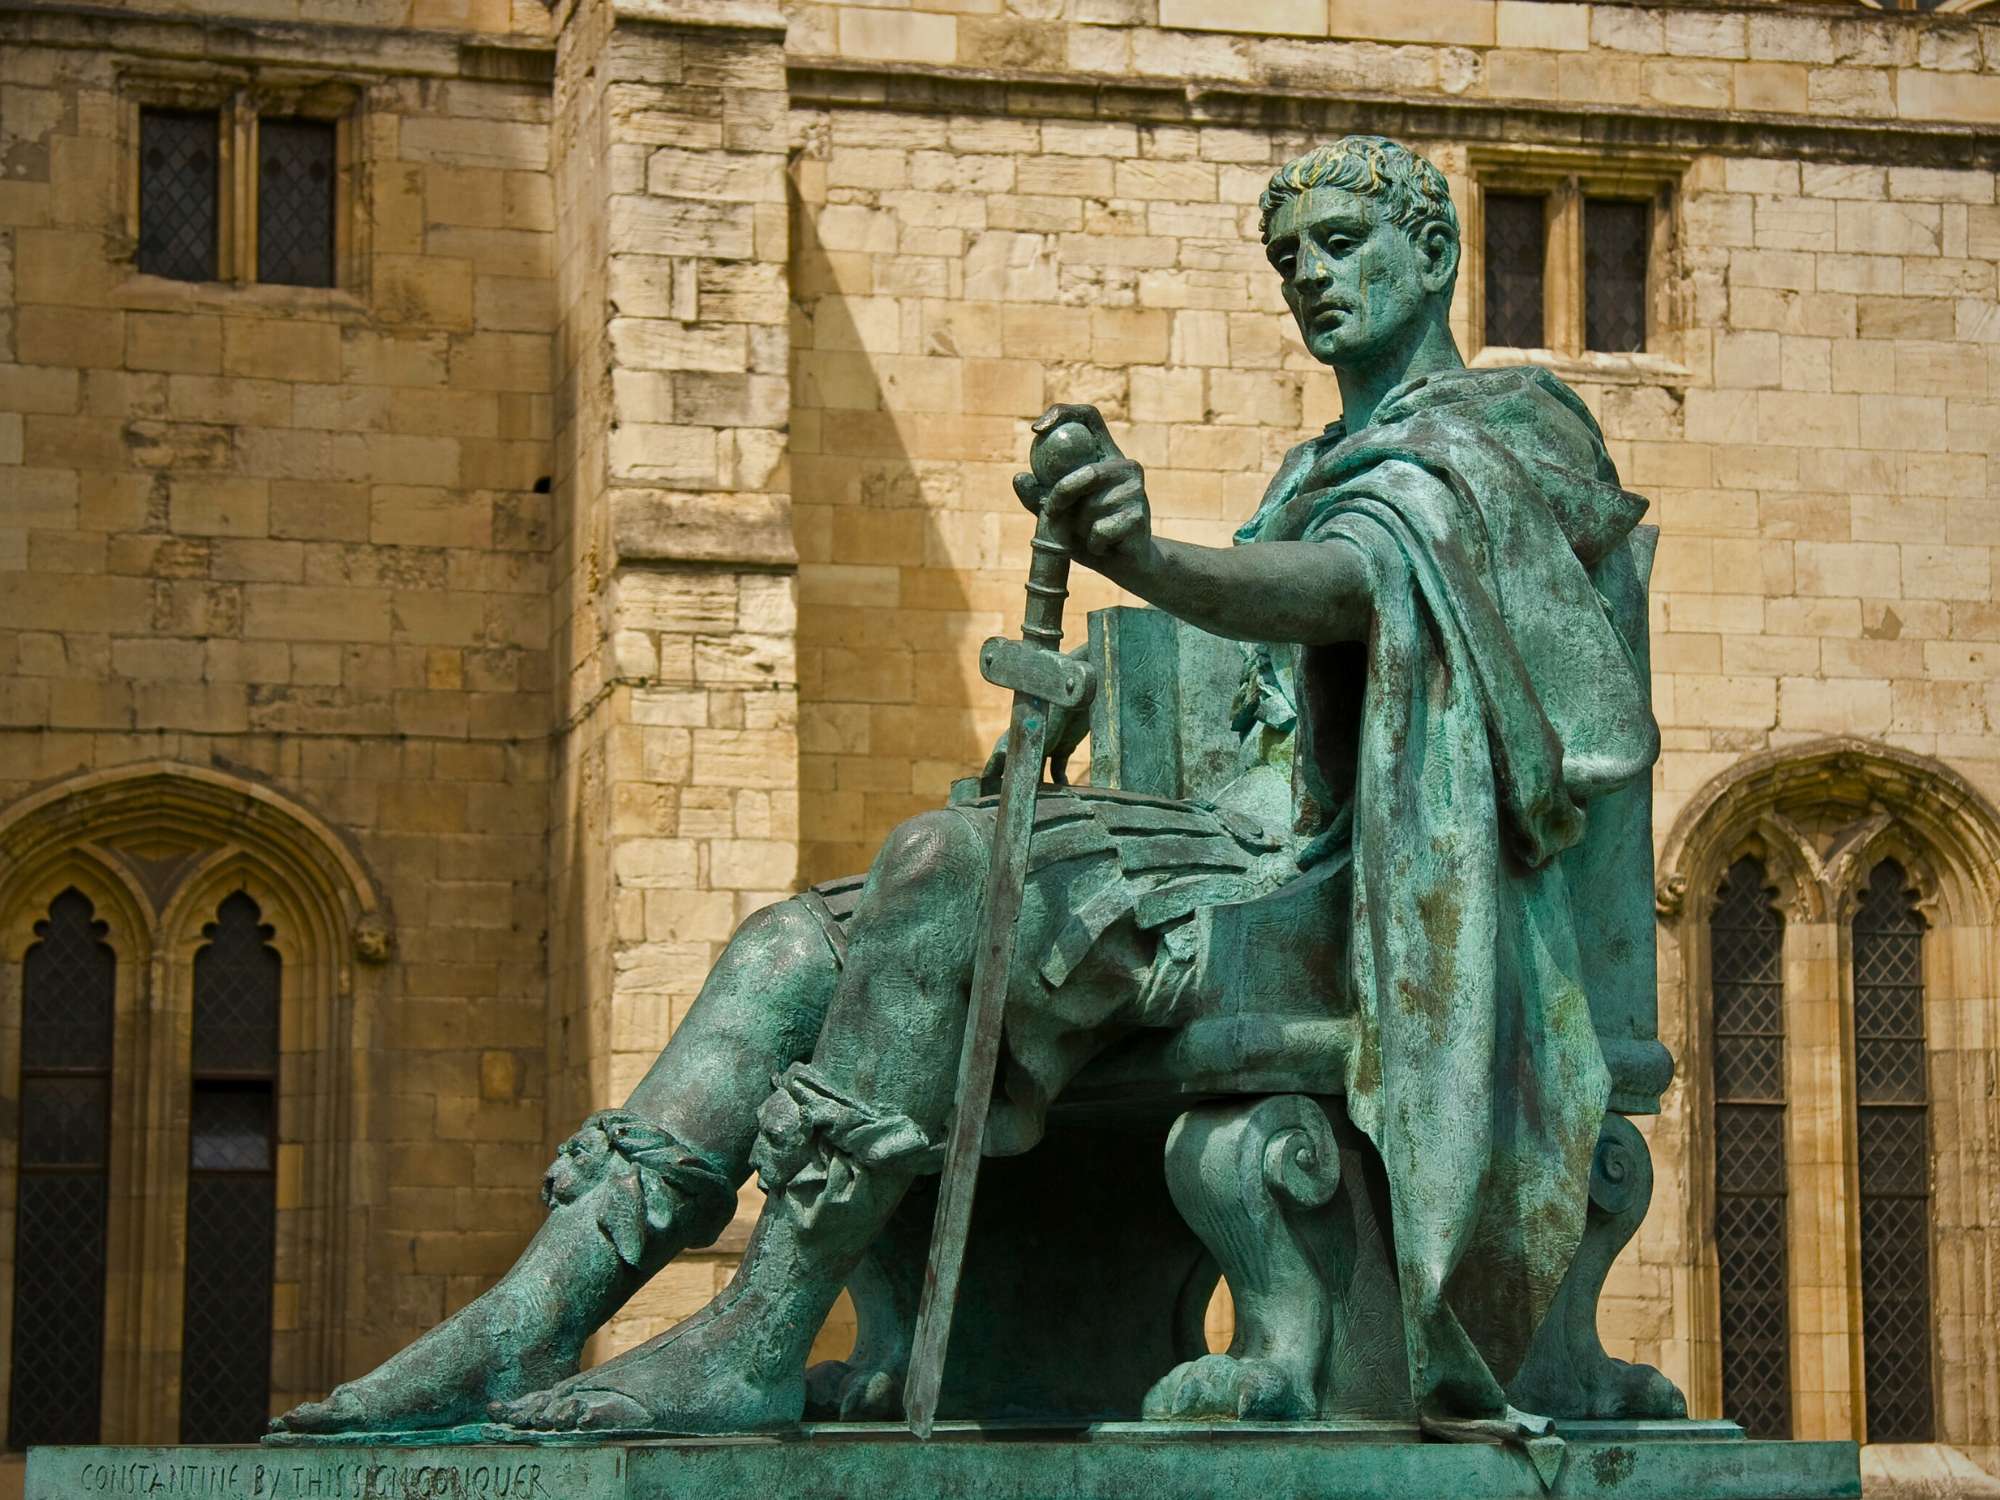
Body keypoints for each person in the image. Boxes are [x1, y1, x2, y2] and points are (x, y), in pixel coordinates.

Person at [274, 134, 1656, 1442]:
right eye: (1291, 258)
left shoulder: (1508, 435)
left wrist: (1149, 558)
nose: (1313, 278)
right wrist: (1084, 712)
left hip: (1352, 893)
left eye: (1344, 244)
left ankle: (761, 1334)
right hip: (1217, 849)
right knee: (795, 943)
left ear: (1434, 253)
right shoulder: (1310, 470)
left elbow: (1348, 593)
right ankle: (528, 1316)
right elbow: (1258, 686)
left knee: (942, 872)